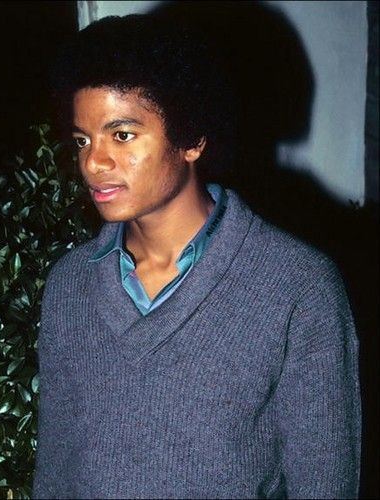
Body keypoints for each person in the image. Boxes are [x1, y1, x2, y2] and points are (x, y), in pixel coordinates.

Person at [33, 14, 361, 499]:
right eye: (83, 139)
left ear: (191, 140)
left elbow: (324, 483)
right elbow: (54, 475)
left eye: (121, 135)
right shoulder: (69, 284)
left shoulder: (298, 287)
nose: (93, 162)